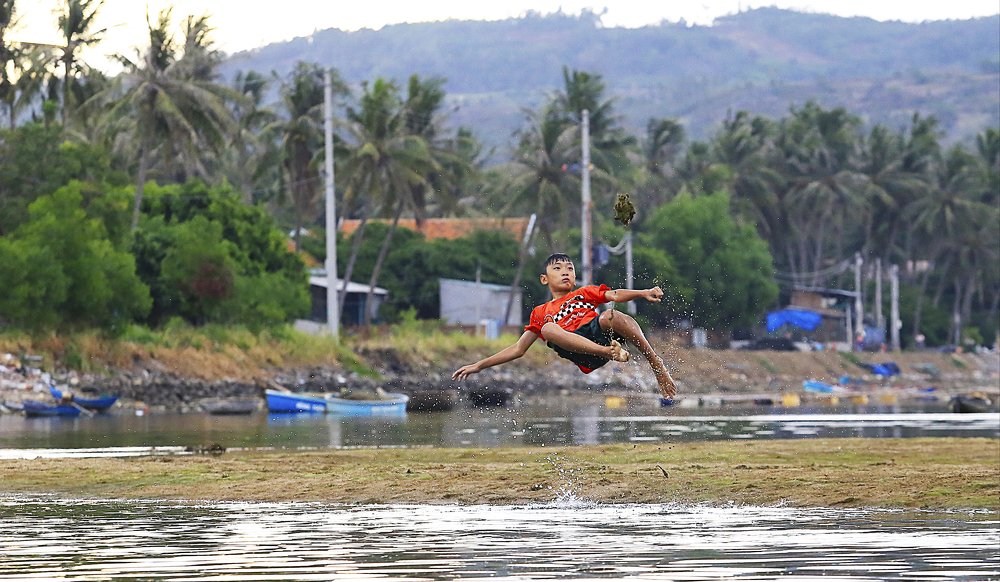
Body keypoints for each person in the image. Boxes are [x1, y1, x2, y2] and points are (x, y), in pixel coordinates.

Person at [452, 253, 677, 399]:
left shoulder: (584, 293)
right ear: (544, 279)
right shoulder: (540, 312)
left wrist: (643, 292)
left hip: (597, 334)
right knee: (548, 329)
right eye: (558, 269)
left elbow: (615, 295)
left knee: (611, 314)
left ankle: (656, 364)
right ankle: (608, 352)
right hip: (579, 350)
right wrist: (479, 365)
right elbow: (518, 349)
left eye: (569, 269)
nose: (565, 273)